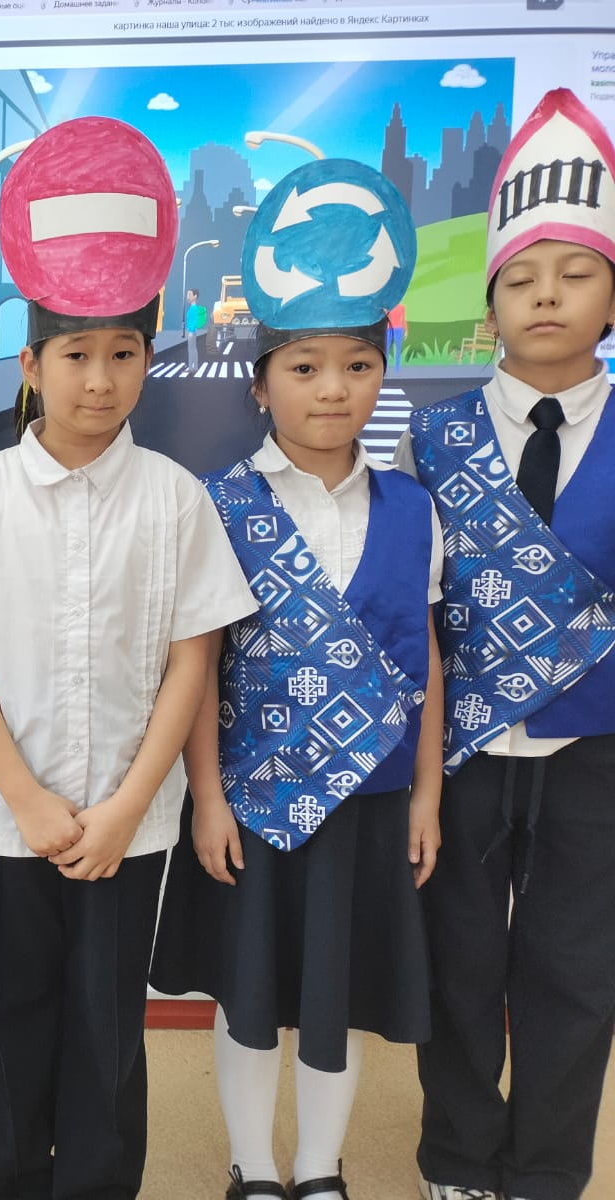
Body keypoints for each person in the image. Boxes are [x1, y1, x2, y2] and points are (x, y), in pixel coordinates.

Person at [0, 116, 256, 1200]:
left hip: (127, 825)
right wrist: (24, 797)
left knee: (107, 1034)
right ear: (32, 363)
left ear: (150, 357)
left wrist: (129, 806)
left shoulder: (176, 501)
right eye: (75, 355)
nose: (99, 380)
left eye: (123, 354)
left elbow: (192, 661)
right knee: (1, 1028)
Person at [151, 157, 444, 1200]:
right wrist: (206, 799)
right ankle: (253, 1165)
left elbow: (425, 655)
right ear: (259, 381)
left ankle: (320, 1169)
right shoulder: (216, 503)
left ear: (382, 373)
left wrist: (426, 794)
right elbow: (197, 663)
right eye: (305, 366)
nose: (332, 389)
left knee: (338, 993)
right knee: (248, 995)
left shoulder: (413, 509)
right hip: (253, 798)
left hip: (370, 801)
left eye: (357, 366)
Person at [397, 88, 615, 1200]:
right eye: (521, 280)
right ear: (487, 307)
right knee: (459, 964)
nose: (546, 297)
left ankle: (548, 1171)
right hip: (464, 752)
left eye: (574, 274)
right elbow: (408, 609)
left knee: (577, 971)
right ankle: (457, 1158)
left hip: (597, 752)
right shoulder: (429, 439)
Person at [187, 287, 208, 371]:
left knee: (191, 349)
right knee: (192, 349)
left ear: (195, 296)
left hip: (191, 332)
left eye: (189, 295)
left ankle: (192, 367)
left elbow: (194, 321)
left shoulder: (194, 308)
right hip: (191, 331)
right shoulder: (192, 308)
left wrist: (191, 331)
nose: (188, 297)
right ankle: (193, 367)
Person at [385, 301, 407, 372]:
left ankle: (397, 369)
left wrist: (406, 331)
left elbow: (403, 319)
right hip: (389, 329)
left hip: (398, 329)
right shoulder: (388, 308)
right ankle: (386, 368)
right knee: (387, 349)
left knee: (398, 349)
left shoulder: (402, 307)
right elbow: (385, 318)